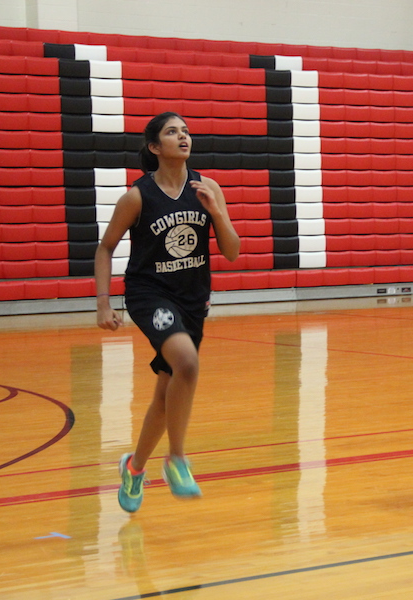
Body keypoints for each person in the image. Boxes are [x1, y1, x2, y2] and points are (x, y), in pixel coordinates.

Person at [95, 112, 241, 512]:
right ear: (155, 147)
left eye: (186, 131)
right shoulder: (138, 196)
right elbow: (105, 247)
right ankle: (176, 459)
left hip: (192, 299)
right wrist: (104, 302)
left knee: (165, 394)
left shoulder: (207, 187)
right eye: (172, 132)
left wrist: (218, 213)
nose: (183, 137)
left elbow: (231, 251)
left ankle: (135, 466)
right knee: (188, 364)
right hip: (149, 294)